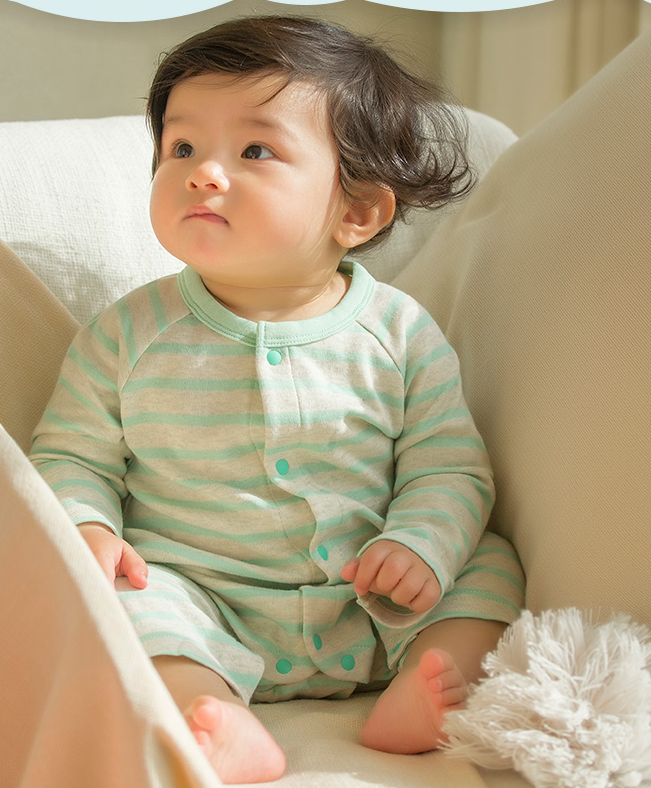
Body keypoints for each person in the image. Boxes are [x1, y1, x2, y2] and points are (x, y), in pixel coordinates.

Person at [29, 15, 524, 784]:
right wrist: (88, 525)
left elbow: (448, 465)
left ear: (357, 212)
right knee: (125, 604)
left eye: (254, 151)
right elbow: (71, 454)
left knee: (486, 565)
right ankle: (208, 711)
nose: (202, 173)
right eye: (181, 148)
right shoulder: (126, 334)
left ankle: (429, 685)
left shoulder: (398, 332)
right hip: (202, 599)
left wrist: (419, 545)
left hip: (374, 596)